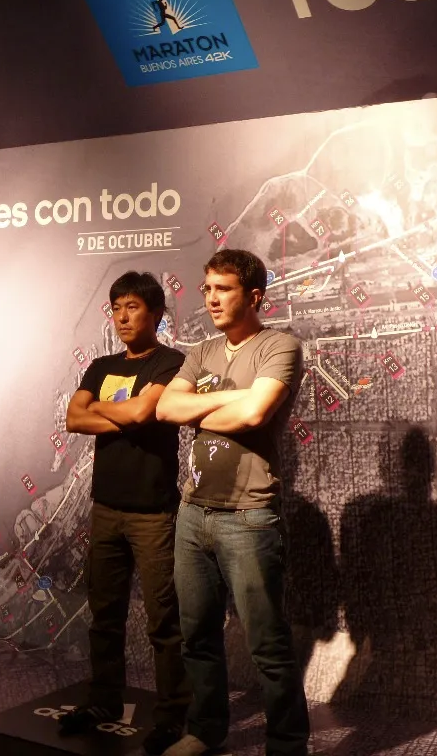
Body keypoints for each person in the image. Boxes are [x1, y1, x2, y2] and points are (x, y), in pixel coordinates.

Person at [156, 250, 310, 756]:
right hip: (193, 512)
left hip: (249, 516)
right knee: (197, 636)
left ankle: (287, 745)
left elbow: (254, 415)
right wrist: (229, 399)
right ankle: (205, 729)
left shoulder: (279, 346)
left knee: (267, 644)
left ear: (254, 296)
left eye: (223, 289)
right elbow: (167, 408)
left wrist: (198, 411)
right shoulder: (201, 351)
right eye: (207, 289)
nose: (211, 299)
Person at [62, 271, 191, 756]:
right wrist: (128, 411)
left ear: (156, 314)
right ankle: (103, 702)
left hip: (153, 513)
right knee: (104, 616)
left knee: (163, 621)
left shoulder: (170, 361)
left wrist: (105, 409)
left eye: (132, 307)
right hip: (105, 509)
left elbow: (141, 414)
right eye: (116, 308)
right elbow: (73, 418)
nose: (122, 316)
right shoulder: (100, 365)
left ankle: (172, 716)